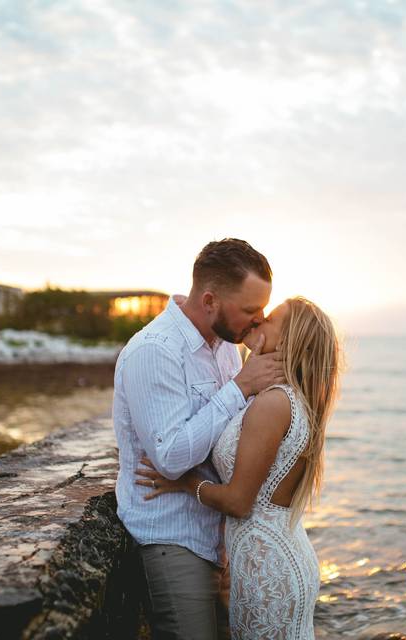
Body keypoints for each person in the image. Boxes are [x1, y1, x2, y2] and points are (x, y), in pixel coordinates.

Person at [137, 296, 342, 640]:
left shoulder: (272, 403)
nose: (259, 320)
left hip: (270, 569)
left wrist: (185, 481)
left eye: (271, 319)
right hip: (267, 559)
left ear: (289, 340)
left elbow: (239, 502)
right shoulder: (279, 398)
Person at [113, 238, 285, 640]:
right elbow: (171, 457)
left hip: (217, 534)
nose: (258, 320)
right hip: (172, 538)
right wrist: (239, 388)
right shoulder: (155, 351)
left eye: (261, 309)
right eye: (249, 310)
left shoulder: (226, 347)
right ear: (210, 301)